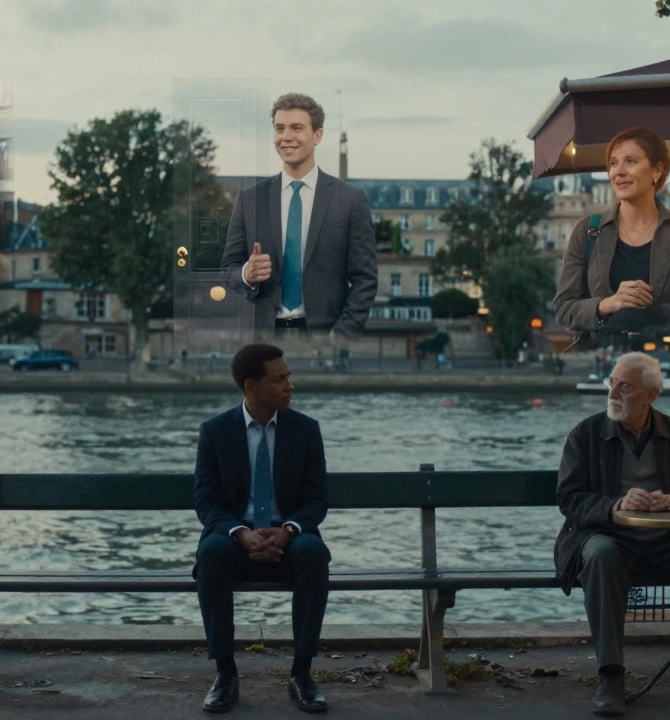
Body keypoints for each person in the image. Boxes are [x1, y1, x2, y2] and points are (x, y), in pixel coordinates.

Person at [553, 352, 670, 715]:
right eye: (612, 382)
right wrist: (615, 505)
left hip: (663, 541)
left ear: (651, 394)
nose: (613, 392)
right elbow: (569, 499)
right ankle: (610, 674)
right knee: (602, 557)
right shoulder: (586, 434)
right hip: (605, 537)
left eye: (625, 386)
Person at [193, 343, 331, 713]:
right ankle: (225, 675)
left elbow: (316, 501)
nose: (290, 386)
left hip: (290, 538)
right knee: (211, 554)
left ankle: (302, 674)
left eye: (289, 377)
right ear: (251, 386)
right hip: (236, 539)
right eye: (280, 379)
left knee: (314, 553)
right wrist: (241, 532)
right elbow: (207, 503)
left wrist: (287, 529)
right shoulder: (215, 432)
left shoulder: (305, 430)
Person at [222, 93, 377, 338]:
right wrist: (246, 274)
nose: (286, 137)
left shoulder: (349, 200)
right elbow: (228, 269)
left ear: (318, 135)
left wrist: (340, 336)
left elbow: (365, 281)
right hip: (264, 339)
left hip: (325, 338)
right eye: (279, 129)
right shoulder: (250, 199)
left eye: (296, 128)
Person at [553, 127, 670, 336]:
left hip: (667, 360)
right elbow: (563, 309)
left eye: (630, 161)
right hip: (605, 362)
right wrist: (608, 304)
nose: (618, 171)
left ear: (657, 171)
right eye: (613, 163)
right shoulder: (587, 231)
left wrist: (655, 311)